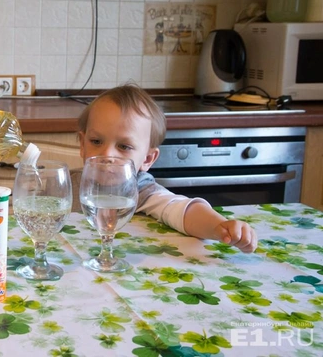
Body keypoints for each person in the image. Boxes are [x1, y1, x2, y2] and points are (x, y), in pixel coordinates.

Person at [73, 84, 258, 253]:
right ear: (82, 144)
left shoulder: (142, 191)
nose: (107, 155)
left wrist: (219, 226)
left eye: (124, 147)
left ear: (147, 159)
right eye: (96, 141)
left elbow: (183, 211)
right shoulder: (67, 184)